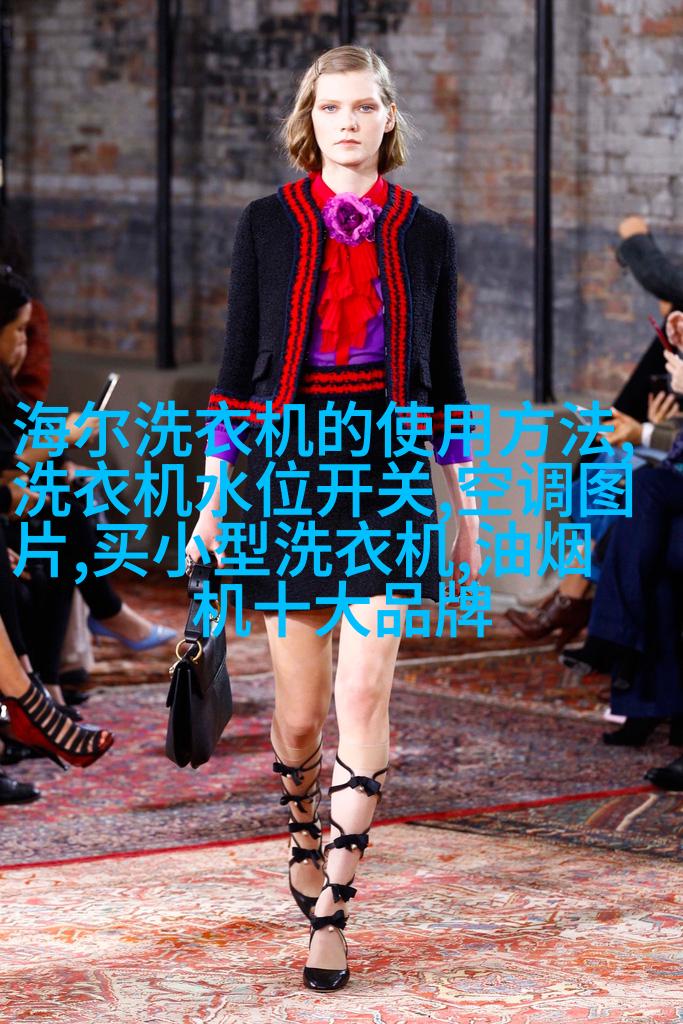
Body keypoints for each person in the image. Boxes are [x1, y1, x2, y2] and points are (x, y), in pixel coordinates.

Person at [186, 45, 480, 992]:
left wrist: (463, 503)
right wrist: (212, 498)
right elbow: (237, 370)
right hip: (286, 474)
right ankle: (302, 831)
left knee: (364, 698)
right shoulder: (265, 223)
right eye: (329, 108)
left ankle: (334, 913)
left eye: (362, 107)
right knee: (302, 715)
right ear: (308, 121)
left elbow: (444, 376)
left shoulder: (425, 232)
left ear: (387, 118)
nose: (346, 123)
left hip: (387, 476)